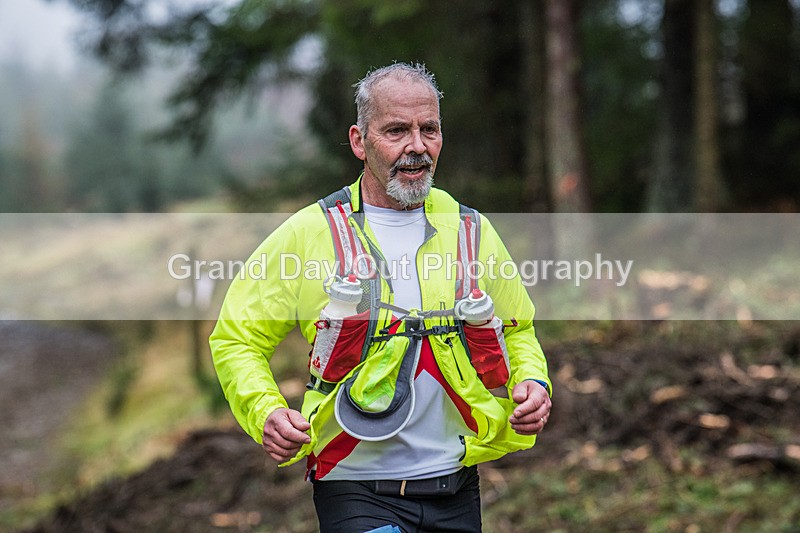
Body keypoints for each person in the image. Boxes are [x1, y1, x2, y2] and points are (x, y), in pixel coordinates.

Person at [210, 62, 552, 533]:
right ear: (358, 141)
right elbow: (237, 339)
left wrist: (534, 382)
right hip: (354, 487)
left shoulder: (471, 229)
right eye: (396, 130)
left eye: (428, 129)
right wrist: (265, 410)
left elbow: (518, 330)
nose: (416, 146)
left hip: (456, 485)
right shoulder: (310, 233)